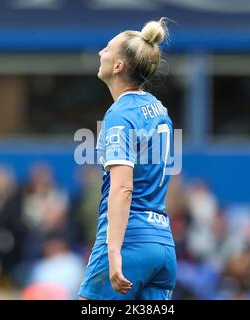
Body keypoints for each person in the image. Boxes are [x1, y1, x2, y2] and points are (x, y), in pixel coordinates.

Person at [78, 17, 177, 300]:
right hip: (163, 245)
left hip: (130, 241)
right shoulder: (160, 110)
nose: (101, 53)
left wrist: (113, 251)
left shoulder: (119, 116)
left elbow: (123, 188)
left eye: (107, 49)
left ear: (119, 66)